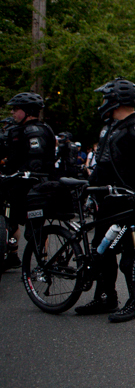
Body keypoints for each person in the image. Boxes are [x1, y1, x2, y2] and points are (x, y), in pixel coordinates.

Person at [74, 78, 135, 323]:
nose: (103, 103)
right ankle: (106, 296)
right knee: (101, 249)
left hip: (132, 200)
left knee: (130, 254)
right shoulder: (110, 128)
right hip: (109, 200)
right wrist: (89, 188)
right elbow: (103, 164)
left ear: (116, 100)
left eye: (106, 98)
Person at [0, 92, 56, 270]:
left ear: (28, 111)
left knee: (35, 228)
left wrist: (27, 172)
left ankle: (42, 261)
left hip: (34, 187)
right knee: (11, 220)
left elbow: (36, 161)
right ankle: (13, 253)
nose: (14, 113)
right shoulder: (17, 130)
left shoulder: (36, 131)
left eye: (17, 109)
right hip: (15, 185)